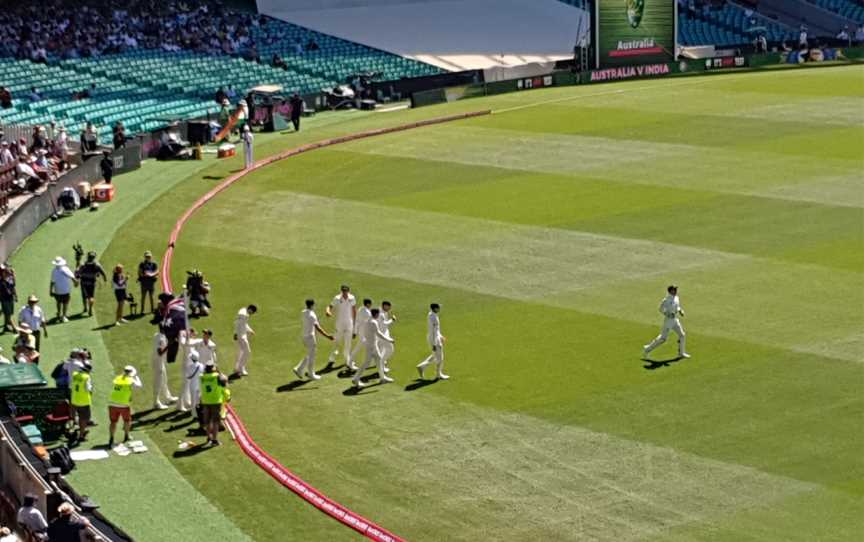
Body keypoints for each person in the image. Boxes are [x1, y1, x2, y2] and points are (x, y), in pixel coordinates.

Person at [643, 285, 690, 360]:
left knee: (682, 335)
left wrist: (680, 310)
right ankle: (647, 349)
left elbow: (677, 306)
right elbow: (661, 309)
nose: (676, 291)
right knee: (663, 338)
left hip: (675, 320)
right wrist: (667, 314)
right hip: (668, 321)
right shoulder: (666, 300)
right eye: (674, 289)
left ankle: (681, 353)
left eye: (676, 289)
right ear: (670, 291)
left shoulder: (677, 298)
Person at [352, 308, 395, 388]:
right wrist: (389, 339)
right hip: (371, 346)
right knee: (366, 363)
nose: (379, 315)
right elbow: (379, 334)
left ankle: (383, 378)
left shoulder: (368, 320)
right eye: (378, 314)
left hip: (372, 345)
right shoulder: (374, 322)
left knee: (378, 359)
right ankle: (356, 378)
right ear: (376, 314)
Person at [293, 299, 333, 381]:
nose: (315, 306)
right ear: (311, 305)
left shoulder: (303, 312)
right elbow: (318, 328)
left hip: (304, 337)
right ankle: (311, 374)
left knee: (310, 354)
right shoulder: (312, 315)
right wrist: (328, 336)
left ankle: (299, 369)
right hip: (310, 338)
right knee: (312, 356)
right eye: (314, 304)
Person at [108, 365, 142, 447]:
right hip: (123, 404)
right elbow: (139, 386)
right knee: (127, 421)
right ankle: (126, 436)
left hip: (112, 403)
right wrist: (136, 377)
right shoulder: (130, 380)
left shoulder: (118, 378)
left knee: (113, 422)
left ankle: (111, 438)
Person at [326, 285, 356, 369]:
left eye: (346, 291)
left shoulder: (352, 298)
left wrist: (354, 323)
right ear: (341, 291)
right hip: (339, 324)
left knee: (348, 344)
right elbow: (330, 306)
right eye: (343, 291)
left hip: (349, 324)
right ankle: (331, 358)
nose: (345, 293)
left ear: (348, 291)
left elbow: (354, 310)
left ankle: (348, 361)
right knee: (336, 342)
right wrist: (328, 311)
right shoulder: (337, 298)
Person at [416, 303, 449, 380]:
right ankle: (438, 374)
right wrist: (435, 344)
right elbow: (434, 331)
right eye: (438, 308)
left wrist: (441, 336)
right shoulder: (433, 317)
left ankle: (421, 367)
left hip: (434, 338)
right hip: (434, 339)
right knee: (440, 358)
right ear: (435, 308)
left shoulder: (432, 314)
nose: (439, 309)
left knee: (436, 356)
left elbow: (436, 330)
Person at [199, 361, 227, 446]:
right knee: (215, 421)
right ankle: (214, 440)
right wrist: (218, 371)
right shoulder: (217, 376)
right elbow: (225, 379)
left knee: (207, 421)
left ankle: (208, 438)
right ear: (212, 368)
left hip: (205, 401)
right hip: (215, 401)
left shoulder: (201, 377)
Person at [152, 331, 177, 409]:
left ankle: (168, 397)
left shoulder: (161, 335)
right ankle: (156, 402)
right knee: (158, 382)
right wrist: (169, 345)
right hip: (157, 362)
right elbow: (160, 353)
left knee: (164, 379)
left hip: (160, 361)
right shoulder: (159, 338)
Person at [76, 251, 106, 317]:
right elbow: (103, 272)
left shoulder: (83, 264)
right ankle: (90, 310)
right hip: (92, 282)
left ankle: (85, 308)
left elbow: (77, 271)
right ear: (94, 257)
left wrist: (78, 261)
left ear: (87, 256)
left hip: (84, 282)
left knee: (84, 296)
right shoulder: (97, 265)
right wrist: (105, 279)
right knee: (91, 297)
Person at [70, 361, 94, 441]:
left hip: (74, 399)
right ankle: (81, 435)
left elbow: (71, 385)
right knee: (85, 418)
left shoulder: (75, 374)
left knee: (77, 417)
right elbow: (88, 389)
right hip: (83, 401)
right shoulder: (86, 377)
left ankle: (78, 429)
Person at [50, 257, 77, 322]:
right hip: (66, 290)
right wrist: (75, 282)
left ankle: (59, 314)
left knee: (58, 302)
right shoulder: (65, 269)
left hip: (57, 290)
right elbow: (72, 276)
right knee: (65, 303)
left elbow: (52, 282)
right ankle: (64, 316)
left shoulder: (54, 270)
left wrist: (50, 290)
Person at [233, 304, 256, 377]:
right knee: (247, 352)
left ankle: (237, 369)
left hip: (242, 334)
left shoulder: (244, 313)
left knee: (241, 352)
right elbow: (237, 324)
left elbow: (244, 324)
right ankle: (241, 368)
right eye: (253, 312)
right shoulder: (244, 314)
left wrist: (250, 330)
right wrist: (236, 334)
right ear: (250, 309)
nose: (252, 314)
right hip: (241, 336)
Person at [349, 298, 372, 369]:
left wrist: (355, 332)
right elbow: (370, 322)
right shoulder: (367, 312)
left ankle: (350, 362)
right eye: (370, 304)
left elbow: (357, 321)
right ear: (368, 304)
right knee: (361, 347)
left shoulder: (360, 309)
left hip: (361, 332)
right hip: (364, 333)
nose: (371, 305)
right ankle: (350, 363)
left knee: (363, 347)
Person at [137, 251, 159, 315]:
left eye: (149, 256)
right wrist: (144, 275)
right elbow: (139, 272)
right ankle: (142, 310)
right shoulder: (142, 264)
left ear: (151, 257)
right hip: (144, 283)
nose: (148, 257)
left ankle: (152, 309)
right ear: (145, 257)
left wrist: (152, 274)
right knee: (143, 297)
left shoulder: (154, 264)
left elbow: (157, 271)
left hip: (151, 283)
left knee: (151, 297)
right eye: (147, 256)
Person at [379, 300, 396, 372]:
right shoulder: (381, 314)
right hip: (382, 335)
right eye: (388, 307)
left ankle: (381, 364)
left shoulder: (384, 312)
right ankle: (381, 363)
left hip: (384, 333)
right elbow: (384, 324)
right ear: (384, 306)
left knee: (382, 350)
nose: (389, 309)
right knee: (390, 349)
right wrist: (392, 320)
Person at [0, 265, 17, 332]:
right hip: (4, 300)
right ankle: (14, 328)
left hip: (10, 299)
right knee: (8, 315)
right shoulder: (1, 282)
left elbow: (13, 286)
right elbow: (8, 291)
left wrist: (15, 295)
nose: (8, 273)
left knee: (8, 314)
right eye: (6, 272)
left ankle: (5, 327)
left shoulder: (9, 278)